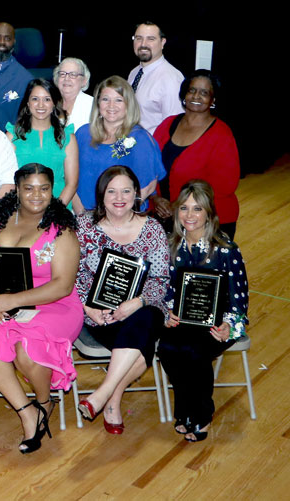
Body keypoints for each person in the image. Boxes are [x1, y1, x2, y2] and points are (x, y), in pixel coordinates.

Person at [0, 164, 82, 453]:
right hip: (2, 303)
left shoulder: (61, 230)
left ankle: (44, 401)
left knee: (28, 346)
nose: (36, 195)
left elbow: (63, 285)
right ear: (17, 189)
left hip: (54, 305)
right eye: (29, 188)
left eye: (44, 188)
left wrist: (12, 301)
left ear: (52, 190)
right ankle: (26, 411)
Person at [75, 166, 169, 434]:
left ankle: (105, 396)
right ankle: (110, 398)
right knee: (142, 348)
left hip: (139, 311)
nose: (119, 197)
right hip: (98, 315)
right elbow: (68, 274)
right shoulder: (83, 226)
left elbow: (160, 280)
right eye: (112, 191)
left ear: (137, 194)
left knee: (148, 316)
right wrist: (87, 306)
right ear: (101, 194)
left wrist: (137, 302)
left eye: (126, 190)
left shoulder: (152, 228)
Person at [157, 180, 248, 442]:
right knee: (168, 349)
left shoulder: (226, 250)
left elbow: (239, 301)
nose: (189, 216)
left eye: (197, 209)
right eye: (184, 208)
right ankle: (186, 409)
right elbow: (165, 290)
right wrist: (167, 311)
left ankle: (201, 413)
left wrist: (229, 325)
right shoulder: (171, 246)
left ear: (209, 212)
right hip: (181, 320)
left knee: (195, 352)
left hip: (216, 324)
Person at [150, 70, 240, 238]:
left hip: (207, 220)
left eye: (204, 93)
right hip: (163, 215)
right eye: (192, 90)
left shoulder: (221, 135)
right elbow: (149, 165)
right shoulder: (168, 124)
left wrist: (180, 206)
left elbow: (225, 185)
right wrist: (155, 198)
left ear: (213, 100)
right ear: (184, 94)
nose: (196, 96)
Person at [74, 76, 165, 214]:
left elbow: (148, 186)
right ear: (98, 103)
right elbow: (69, 175)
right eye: (105, 99)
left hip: (122, 219)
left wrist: (117, 216)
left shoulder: (139, 138)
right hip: (83, 215)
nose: (111, 105)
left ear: (128, 104)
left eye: (118, 100)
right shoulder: (83, 133)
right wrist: (80, 211)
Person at [6, 79, 79, 205]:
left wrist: (54, 213)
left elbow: (71, 183)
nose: (41, 105)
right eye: (35, 99)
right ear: (28, 103)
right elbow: (6, 181)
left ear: (54, 104)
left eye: (47, 99)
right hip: (21, 208)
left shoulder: (67, 137)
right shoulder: (12, 135)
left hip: (58, 207)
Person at [128, 22, 184, 134]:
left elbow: (174, 128)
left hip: (154, 148)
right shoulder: (134, 73)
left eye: (151, 39)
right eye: (139, 38)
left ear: (162, 43)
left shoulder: (171, 79)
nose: (143, 44)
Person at [54, 57, 94, 130]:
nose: (66, 78)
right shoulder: (49, 103)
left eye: (73, 74)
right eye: (62, 74)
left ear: (84, 81)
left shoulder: (93, 105)